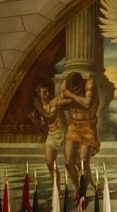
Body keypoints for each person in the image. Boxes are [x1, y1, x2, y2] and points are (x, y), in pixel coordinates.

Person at [61, 71, 101, 200]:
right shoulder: (65, 85)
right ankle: (78, 187)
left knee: (84, 162)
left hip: (88, 126)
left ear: (81, 83)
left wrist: (71, 95)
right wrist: (74, 98)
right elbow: (63, 105)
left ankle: (82, 194)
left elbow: (87, 104)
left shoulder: (90, 84)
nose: (76, 93)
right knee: (68, 162)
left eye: (77, 90)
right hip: (74, 125)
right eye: (73, 90)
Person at [31, 80, 68, 187]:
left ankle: (84, 185)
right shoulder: (42, 108)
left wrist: (39, 109)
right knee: (49, 162)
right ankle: (57, 189)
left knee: (73, 163)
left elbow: (50, 118)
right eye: (44, 92)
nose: (48, 94)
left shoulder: (55, 102)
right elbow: (43, 126)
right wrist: (33, 119)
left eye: (48, 91)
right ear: (39, 95)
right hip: (52, 136)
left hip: (64, 133)